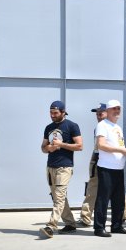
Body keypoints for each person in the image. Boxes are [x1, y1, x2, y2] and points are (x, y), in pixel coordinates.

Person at [39, 100, 83, 239]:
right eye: (51, 113)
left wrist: (61, 144)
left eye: (55, 113)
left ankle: (51, 226)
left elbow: (79, 146)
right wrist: (49, 148)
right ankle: (70, 224)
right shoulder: (48, 127)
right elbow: (43, 147)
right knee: (58, 197)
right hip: (50, 167)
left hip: (64, 167)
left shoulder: (72, 126)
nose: (52, 115)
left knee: (58, 197)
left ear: (63, 112)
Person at [93, 99, 126, 237]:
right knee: (103, 199)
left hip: (118, 168)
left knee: (118, 199)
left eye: (118, 109)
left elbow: (119, 146)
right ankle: (99, 228)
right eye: (114, 109)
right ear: (107, 111)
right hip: (106, 168)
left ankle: (116, 226)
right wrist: (122, 151)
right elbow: (101, 145)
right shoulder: (103, 125)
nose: (117, 111)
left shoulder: (117, 127)